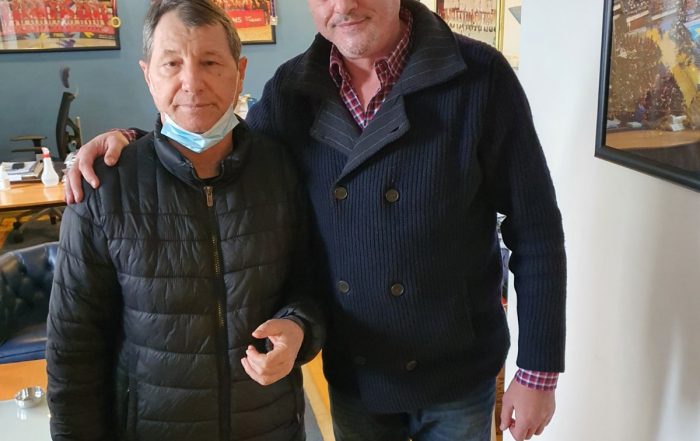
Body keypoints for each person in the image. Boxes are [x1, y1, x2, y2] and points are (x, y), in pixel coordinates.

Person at [64, 1, 567, 440]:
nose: (343, 6)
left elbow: (536, 229)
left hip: (458, 372)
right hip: (356, 372)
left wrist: (537, 372)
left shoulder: (479, 76)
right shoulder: (293, 89)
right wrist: (134, 148)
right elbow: (224, 151)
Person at [47, 1, 324, 440]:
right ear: (148, 76)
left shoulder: (282, 171)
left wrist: (299, 326)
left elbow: (312, 284)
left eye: (210, 62)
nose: (192, 82)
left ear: (240, 72)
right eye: (172, 63)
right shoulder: (103, 188)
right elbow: (73, 350)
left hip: (269, 425)